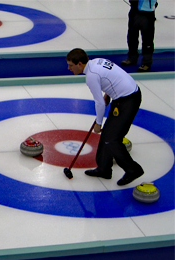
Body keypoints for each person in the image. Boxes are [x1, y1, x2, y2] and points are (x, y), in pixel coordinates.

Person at [66, 48, 144, 186]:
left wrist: (98, 123)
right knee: (108, 135)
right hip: (124, 95)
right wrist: (108, 93)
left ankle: (133, 169)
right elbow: (112, 76)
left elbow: (99, 103)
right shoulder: (96, 62)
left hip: (128, 100)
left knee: (111, 138)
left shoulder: (91, 75)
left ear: (79, 64)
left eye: (71, 65)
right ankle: (104, 169)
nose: (69, 68)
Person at [121, 0, 158, 72]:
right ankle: (132, 58)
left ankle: (146, 63)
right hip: (134, 10)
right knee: (132, 36)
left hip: (147, 12)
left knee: (147, 39)